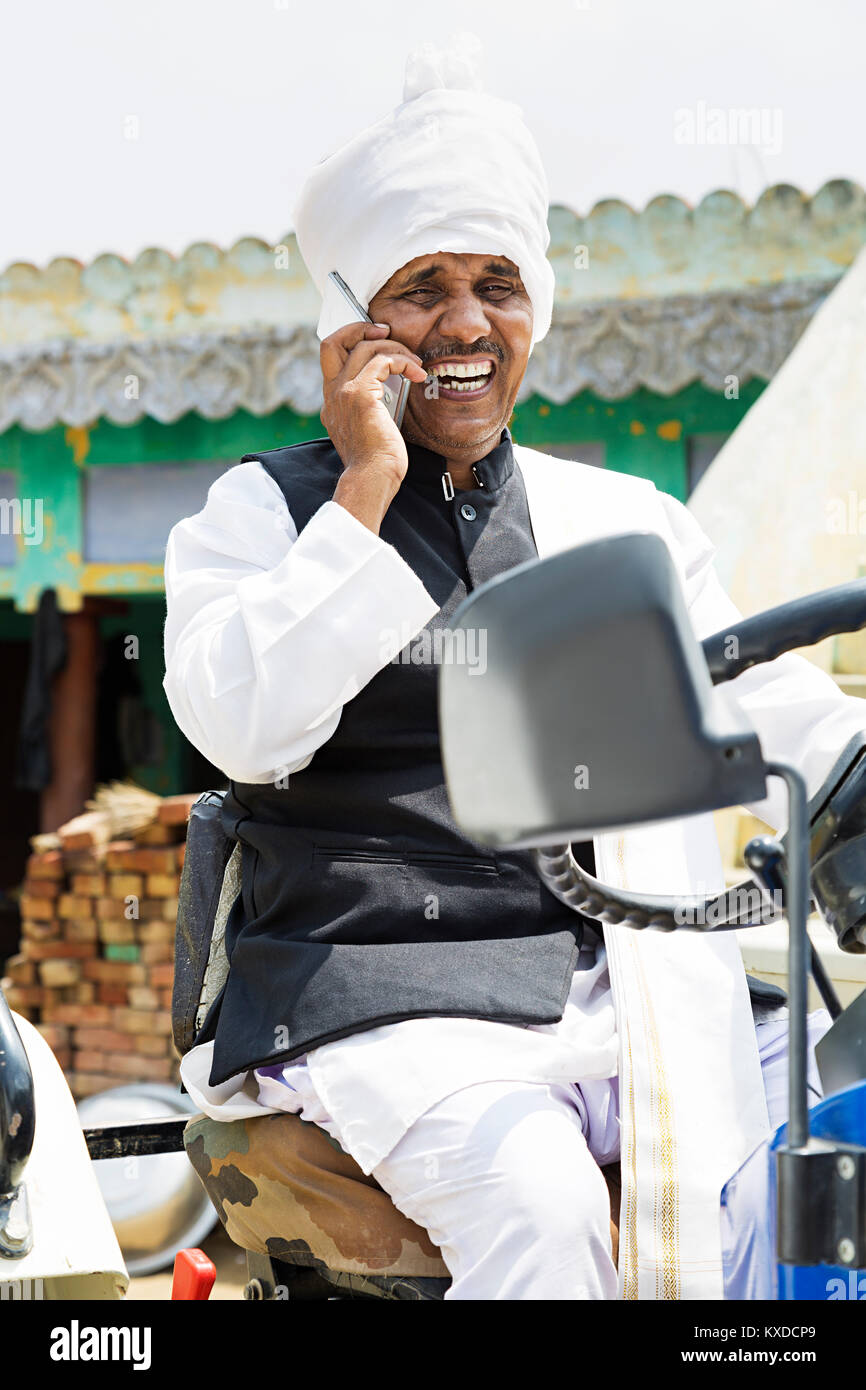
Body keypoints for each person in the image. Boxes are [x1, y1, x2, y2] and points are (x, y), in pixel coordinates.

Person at [163, 38, 864, 1299]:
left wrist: (849, 772)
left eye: (497, 282)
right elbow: (239, 726)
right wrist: (365, 492)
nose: (467, 322)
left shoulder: (622, 516)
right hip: (383, 991)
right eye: (421, 286)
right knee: (540, 1213)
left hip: (629, 976)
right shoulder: (257, 514)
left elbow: (750, 698)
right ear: (353, 320)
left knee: (822, 1153)